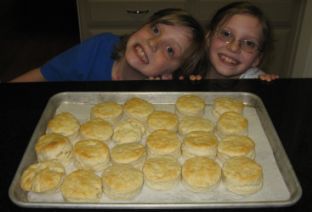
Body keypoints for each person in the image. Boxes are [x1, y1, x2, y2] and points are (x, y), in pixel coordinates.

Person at [10, 8, 206, 82]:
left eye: (170, 50)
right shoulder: (96, 49)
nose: (153, 43)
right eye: (155, 30)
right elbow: (44, 74)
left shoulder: (161, 95)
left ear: (170, 73)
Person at [204, 1, 279, 81]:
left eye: (249, 43)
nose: (234, 48)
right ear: (208, 38)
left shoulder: (257, 82)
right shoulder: (192, 69)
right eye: (226, 34)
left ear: (257, 59)